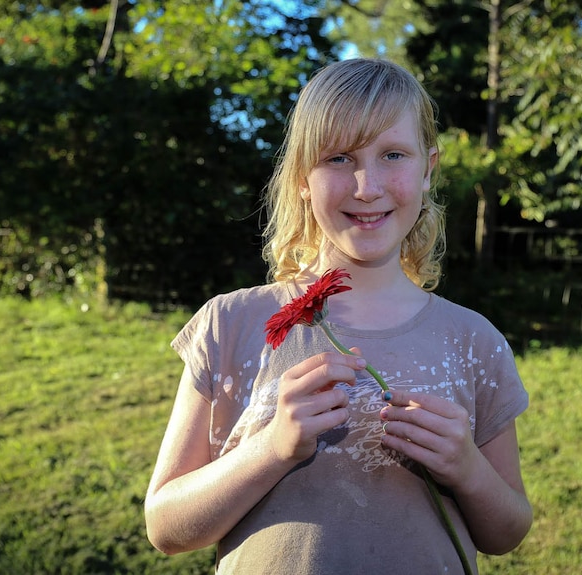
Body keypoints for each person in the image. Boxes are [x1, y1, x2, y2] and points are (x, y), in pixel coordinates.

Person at [144, 57, 533, 574]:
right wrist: (271, 449)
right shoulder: (231, 322)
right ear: (302, 177)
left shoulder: (474, 341)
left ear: (427, 170)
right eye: (338, 159)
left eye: (392, 154)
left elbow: (507, 533)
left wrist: (467, 469)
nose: (366, 186)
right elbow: (165, 528)